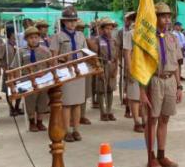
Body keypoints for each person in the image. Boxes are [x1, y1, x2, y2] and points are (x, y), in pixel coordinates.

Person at [142, 2, 182, 167]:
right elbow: (141, 67)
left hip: (170, 80)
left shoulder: (172, 37)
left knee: (165, 119)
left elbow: (177, 64)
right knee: (152, 120)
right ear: (155, 18)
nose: (167, 20)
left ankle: (161, 155)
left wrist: (179, 86)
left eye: (168, 17)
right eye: (163, 16)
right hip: (154, 81)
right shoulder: (147, 38)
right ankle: (150, 157)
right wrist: (142, 91)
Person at [51, 7, 86, 142]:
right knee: (66, 103)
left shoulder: (81, 35)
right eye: (69, 21)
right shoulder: (58, 36)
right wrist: (55, 72)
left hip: (79, 71)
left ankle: (76, 129)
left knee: (77, 103)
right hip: (65, 71)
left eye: (74, 20)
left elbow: (85, 52)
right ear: (64, 22)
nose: (72, 23)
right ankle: (67, 131)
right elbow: (54, 56)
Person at [11, 26, 51, 132]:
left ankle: (40, 122)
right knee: (30, 102)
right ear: (26, 39)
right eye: (31, 38)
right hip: (28, 80)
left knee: (42, 101)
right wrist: (17, 80)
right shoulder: (21, 51)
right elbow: (16, 67)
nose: (33, 40)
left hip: (43, 79)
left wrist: (47, 74)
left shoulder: (45, 50)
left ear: (39, 38)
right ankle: (32, 122)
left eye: (36, 37)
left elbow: (51, 65)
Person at [121, 12, 145, 133]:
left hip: (146, 69)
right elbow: (127, 53)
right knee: (135, 96)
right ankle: (137, 122)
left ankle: (145, 119)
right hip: (135, 68)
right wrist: (129, 70)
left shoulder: (147, 34)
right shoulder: (130, 34)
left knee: (145, 96)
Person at [93, 18, 119, 121]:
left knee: (110, 89)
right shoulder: (98, 40)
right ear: (102, 29)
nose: (109, 31)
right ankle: (102, 112)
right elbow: (95, 56)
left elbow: (116, 56)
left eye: (111, 29)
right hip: (102, 65)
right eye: (107, 28)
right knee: (101, 89)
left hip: (111, 65)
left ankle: (109, 111)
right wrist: (99, 69)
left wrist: (116, 69)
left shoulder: (114, 41)